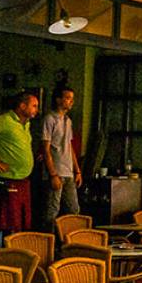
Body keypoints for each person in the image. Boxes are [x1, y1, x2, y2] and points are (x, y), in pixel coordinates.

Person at [0, 91, 39, 244]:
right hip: (5, 180)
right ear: (22, 106)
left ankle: (12, 253)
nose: (37, 109)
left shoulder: (26, 124)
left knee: (17, 222)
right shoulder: (4, 120)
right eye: (34, 106)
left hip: (22, 180)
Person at [40, 86, 83, 224]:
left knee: (74, 209)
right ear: (58, 100)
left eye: (72, 99)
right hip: (56, 170)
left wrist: (77, 170)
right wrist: (53, 174)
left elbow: (69, 146)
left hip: (68, 170)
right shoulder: (49, 119)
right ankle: (49, 236)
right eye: (68, 98)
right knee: (52, 209)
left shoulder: (68, 121)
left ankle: (69, 236)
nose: (71, 102)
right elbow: (45, 149)